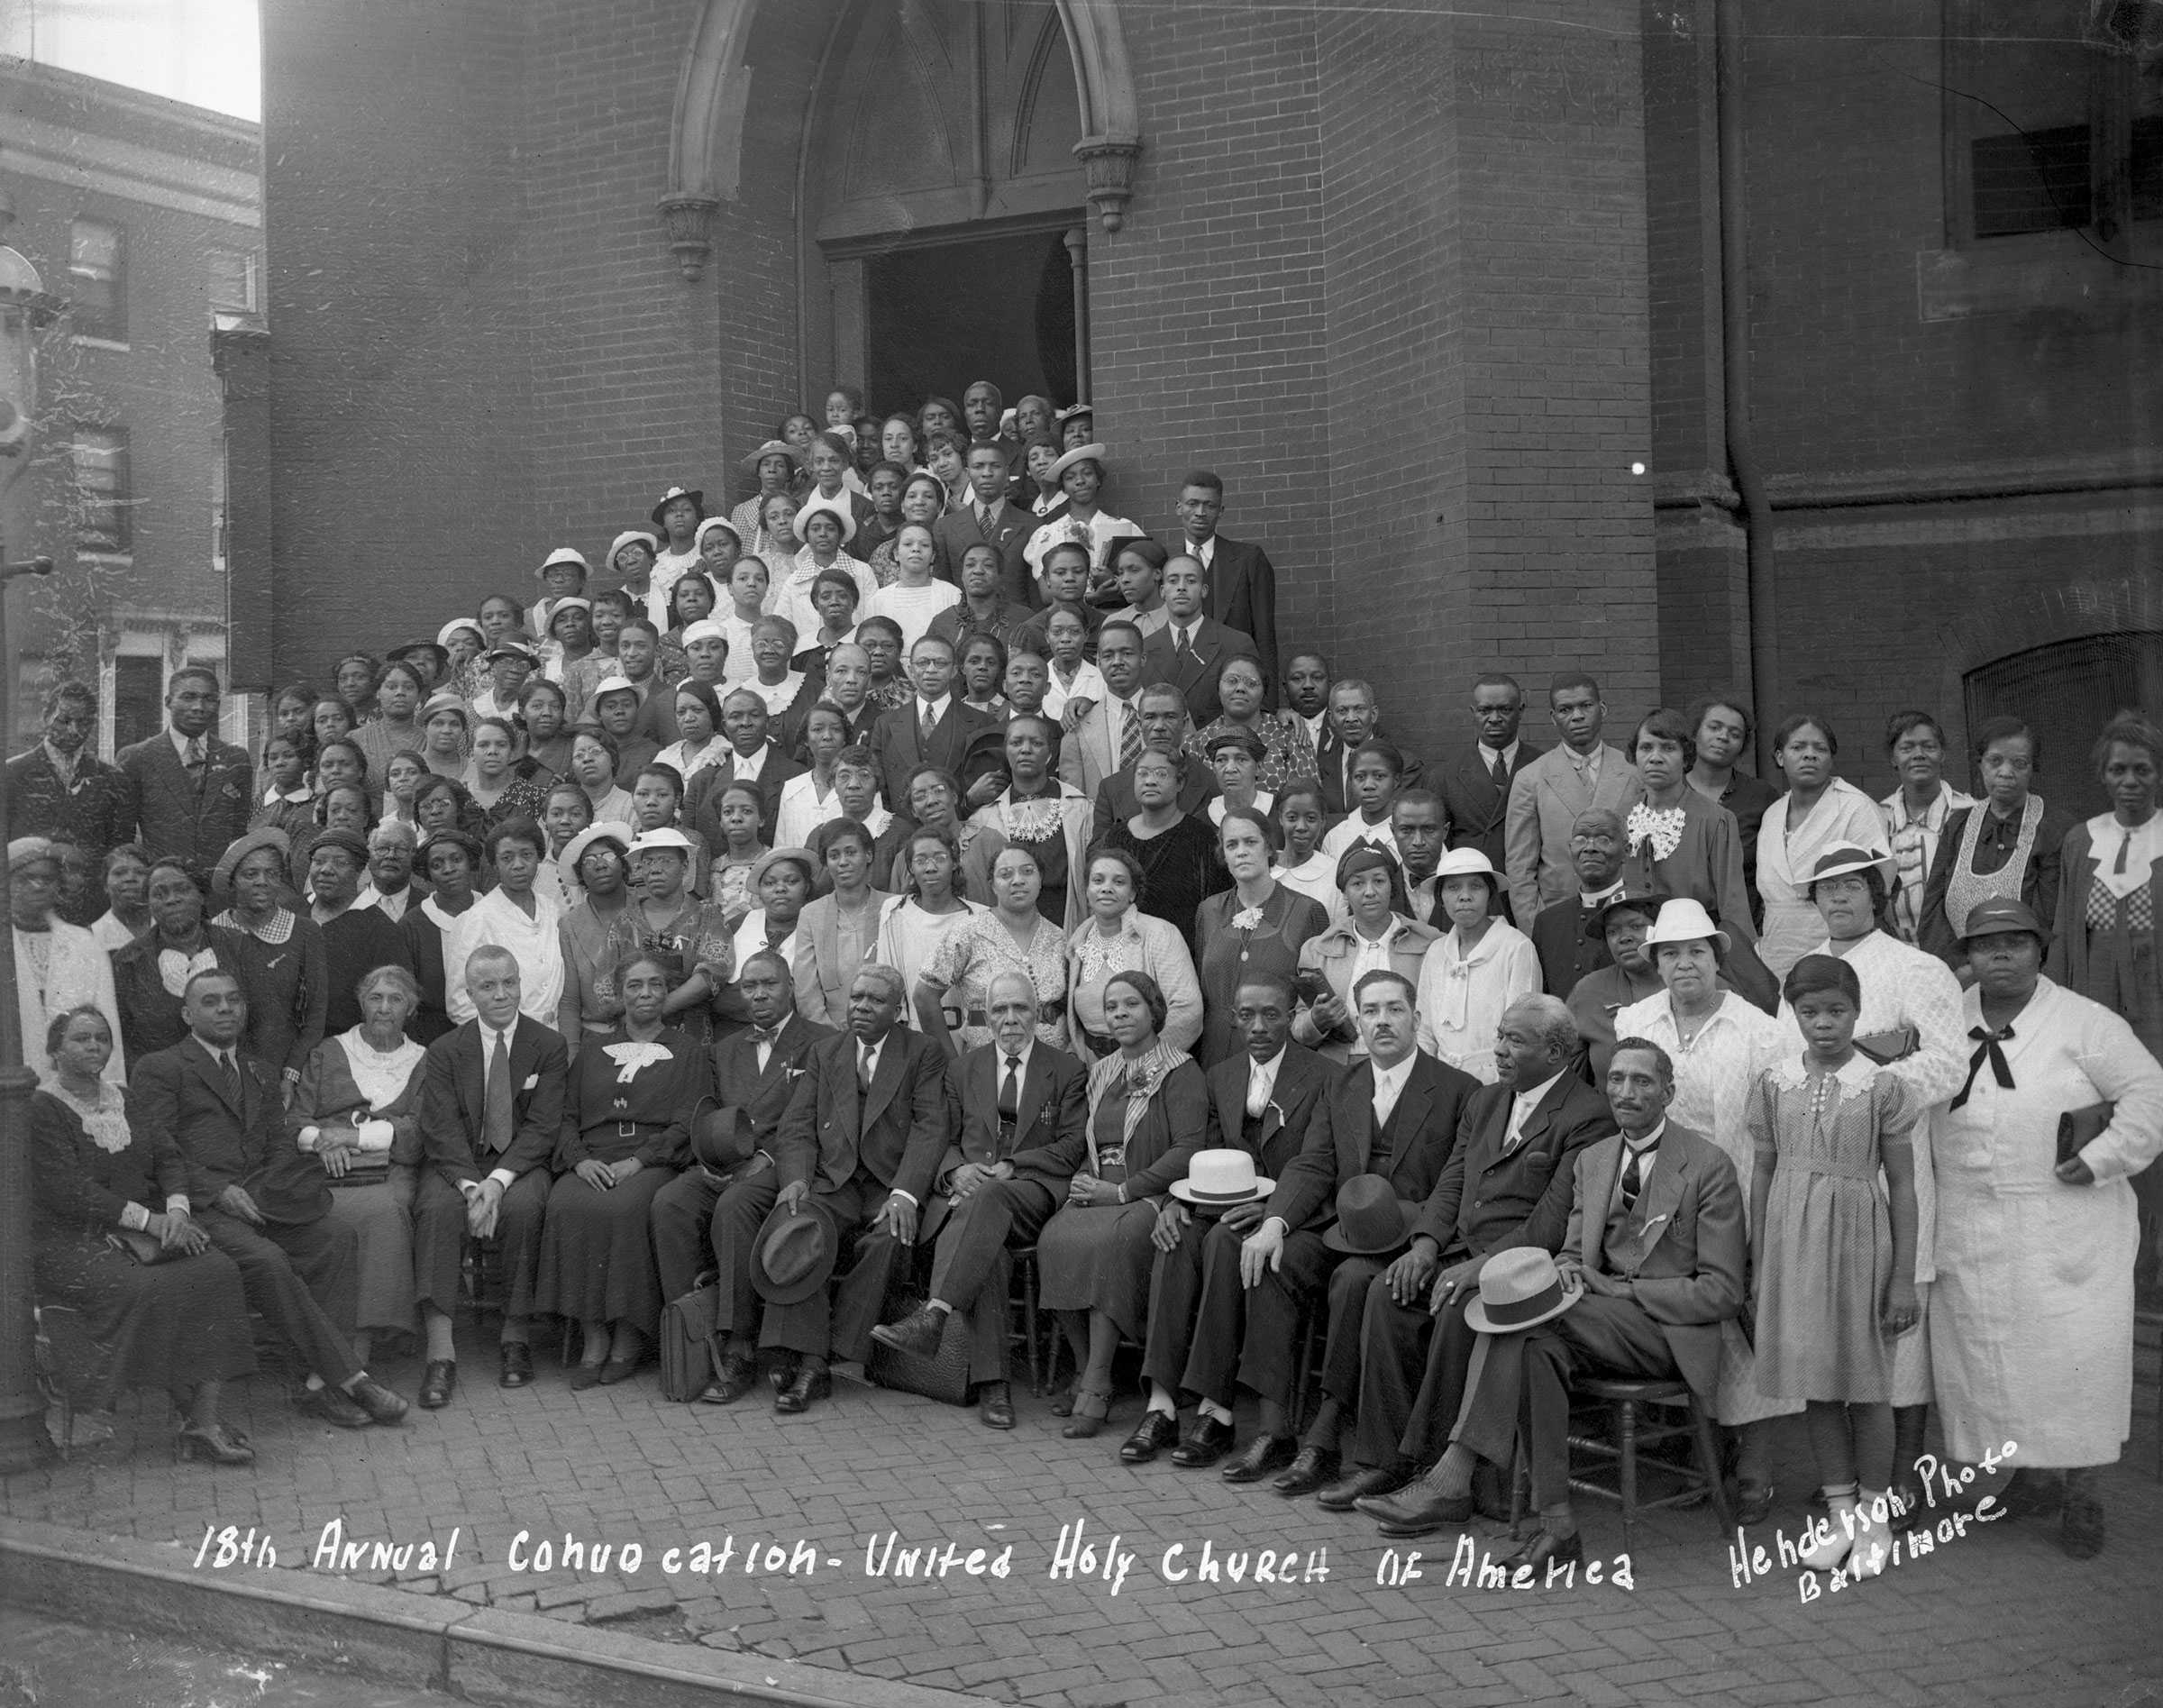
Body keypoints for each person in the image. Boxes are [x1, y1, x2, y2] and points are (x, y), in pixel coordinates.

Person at [1425, 1037, 1745, 1572]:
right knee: (1533, 1342)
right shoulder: (1594, 1161)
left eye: (1642, 1081)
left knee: (1526, 1316)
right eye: (1616, 1079)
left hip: (1667, 1333)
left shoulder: (1708, 1165)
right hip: (1589, 1321)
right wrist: (1571, 1270)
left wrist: (1621, 1289)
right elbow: (1575, 1253)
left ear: (1668, 1091)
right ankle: (1558, 1526)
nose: (1626, 1092)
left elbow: (1722, 1292)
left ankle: (1456, 1468)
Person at [1933, 897, 2163, 1559]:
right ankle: (2027, 1478)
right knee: (1996, 1360)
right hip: (1973, 1220)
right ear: (1967, 956)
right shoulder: (1947, 1018)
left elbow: (2149, 1096)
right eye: (1984, 944)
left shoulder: (2087, 1022)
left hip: (2065, 1222)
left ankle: (2082, 1493)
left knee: (2071, 1359)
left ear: (2041, 949)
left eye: (2015, 942)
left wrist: (2100, 1160)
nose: (1999, 955)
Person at [1350, 998, 1613, 1525]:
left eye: (1515, 1040)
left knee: (1460, 1306)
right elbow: (1452, 1181)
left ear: (1557, 1052)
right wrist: (1425, 1245)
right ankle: (1389, 1462)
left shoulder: (1588, 1115)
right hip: (1458, 1250)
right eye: (1499, 1035)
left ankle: (1445, 1481)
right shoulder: (1487, 1100)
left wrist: (1479, 1266)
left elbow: (1553, 1222)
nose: (1499, 1049)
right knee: (1386, 1292)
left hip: (1520, 1267)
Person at [1224, 971, 1481, 1486]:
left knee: (1352, 1282)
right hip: (1344, 1229)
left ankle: (1324, 1436)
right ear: (1357, 1019)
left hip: (1410, 1241)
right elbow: (1315, 1162)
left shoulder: (1460, 1091)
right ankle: (1274, 1430)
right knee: (1275, 1259)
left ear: (1416, 1017)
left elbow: (1457, 1180)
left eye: (1394, 1009)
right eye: (1370, 1011)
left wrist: (1425, 1241)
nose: (1382, 1021)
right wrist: (1275, 1221)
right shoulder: (1341, 1084)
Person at [132, 969, 409, 1429]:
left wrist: (304, 1162)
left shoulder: (257, 1068)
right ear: (186, 1014)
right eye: (211, 1002)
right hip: (198, 1208)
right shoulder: (161, 1069)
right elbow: (156, 1149)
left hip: (260, 1199)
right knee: (268, 1260)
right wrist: (215, 1190)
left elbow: (279, 1140)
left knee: (335, 1237)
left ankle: (319, 1385)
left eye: (234, 1000)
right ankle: (352, 1381)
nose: (225, 1009)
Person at [1792, 841, 1968, 1516]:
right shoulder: (1807, 971)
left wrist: (1868, 1084)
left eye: (1851, 887)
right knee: (1837, 1321)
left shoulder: (1918, 968)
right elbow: (1791, 1060)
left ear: (1877, 893)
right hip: (1820, 1171)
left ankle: (1902, 1478)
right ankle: (1853, 1477)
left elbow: (1948, 1064)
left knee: (1899, 1328)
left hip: (1891, 1166)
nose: (1838, 899)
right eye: (1826, 890)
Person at [1612, 897, 1798, 1513]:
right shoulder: (1635, 1020)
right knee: (1686, 1318)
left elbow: (1773, 1133)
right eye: (1670, 953)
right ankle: (1704, 1453)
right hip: (1661, 1198)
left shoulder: (1761, 1030)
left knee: (1747, 1325)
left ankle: (1756, 1469)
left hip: (1736, 1192)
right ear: (1656, 960)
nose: (1683, 964)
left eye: (1696, 951)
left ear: (1718, 957)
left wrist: (1762, 1217)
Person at [1747, 954, 1921, 1578]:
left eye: (1837, 1010)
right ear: (1794, 1013)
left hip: (1858, 1239)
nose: (1824, 1023)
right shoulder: (1773, 1081)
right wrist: (1762, 1260)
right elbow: (1763, 1171)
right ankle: (1842, 1516)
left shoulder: (1882, 1085)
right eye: (1810, 1011)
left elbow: (1902, 1183)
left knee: (1867, 1384)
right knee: (1817, 1384)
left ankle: (1875, 1520)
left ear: (1856, 1010)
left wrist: (1902, 1276)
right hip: (1792, 1240)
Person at [29, 1006, 259, 1463]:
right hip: (72, 1242)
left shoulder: (125, 1098)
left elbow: (168, 1158)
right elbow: (68, 1191)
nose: (94, 1046)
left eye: (101, 1038)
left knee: (217, 1269)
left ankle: (203, 1418)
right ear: (55, 1050)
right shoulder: (42, 1109)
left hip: (139, 1233)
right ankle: (187, 1410)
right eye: (80, 1039)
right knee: (151, 1288)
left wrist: (175, 1210)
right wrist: (148, 1220)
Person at [1124, 975, 1334, 1466]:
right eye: (1246, 1016)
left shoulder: (1324, 1075)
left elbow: (1325, 1163)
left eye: (1271, 1015)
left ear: (1291, 1016)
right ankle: (1161, 1403)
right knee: (1174, 1239)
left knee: (1221, 1241)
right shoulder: (1221, 1075)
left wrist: (1275, 1209)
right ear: (1233, 1019)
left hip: (1293, 1216)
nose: (1258, 1026)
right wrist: (1178, 1202)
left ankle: (1215, 1411)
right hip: (1224, 1204)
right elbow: (1209, 1155)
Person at [871, 974, 1091, 1427]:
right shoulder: (962, 1070)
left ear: (1038, 1013)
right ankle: (995, 1390)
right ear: (984, 1017)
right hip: (972, 1196)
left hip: (1033, 1192)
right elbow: (941, 1135)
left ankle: (934, 1313)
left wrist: (1015, 1164)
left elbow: (1072, 1145)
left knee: (988, 1202)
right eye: (999, 1011)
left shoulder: (1067, 1069)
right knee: (986, 1245)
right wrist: (955, 1170)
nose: (1010, 1020)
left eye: (1021, 1009)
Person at [758, 965, 949, 1414]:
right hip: (834, 1180)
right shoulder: (826, 1053)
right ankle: (812, 1361)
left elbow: (930, 1128)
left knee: (889, 1238)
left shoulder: (923, 1052)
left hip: (887, 1184)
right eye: (857, 997)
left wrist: (905, 1193)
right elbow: (798, 1126)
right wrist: (798, 1181)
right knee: (801, 1225)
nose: (862, 1006)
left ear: (898, 1010)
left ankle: (830, 1357)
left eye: (875, 1000)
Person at [650, 951, 833, 1393]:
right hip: (725, 1163)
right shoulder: (725, 1050)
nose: (759, 994)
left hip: (782, 1161)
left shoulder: (823, 1042)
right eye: (749, 987)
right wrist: (710, 1162)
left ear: (790, 987)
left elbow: (817, 1122)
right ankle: (696, 1327)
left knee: (734, 1206)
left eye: (769, 984)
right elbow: (709, 1115)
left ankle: (739, 1345)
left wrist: (765, 1161)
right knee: (670, 1202)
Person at [1036, 969, 1209, 1439]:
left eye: (1130, 1004)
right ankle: (1085, 1365)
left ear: (1153, 1009)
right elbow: (1083, 1138)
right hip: (1098, 1192)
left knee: (1110, 1246)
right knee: (1054, 1238)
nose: (1120, 1014)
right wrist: (1082, 1178)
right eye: (1112, 1007)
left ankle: (1097, 1385)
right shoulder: (1101, 1071)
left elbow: (1188, 1148)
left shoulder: (1181, 1070)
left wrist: (1125, 1191)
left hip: (1149, 1195)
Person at [534, 950, 703, 1388]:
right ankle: (593, 1335)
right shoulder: (592, 1050)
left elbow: (689, 1118)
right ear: (620, 994)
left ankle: (628, 1336)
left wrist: (640, 1160)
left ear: (667, 993)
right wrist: (579, 1160)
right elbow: (565, 1114)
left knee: (624, 1209)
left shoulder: (685, 1050)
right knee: (566, 1203)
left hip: (652, 1158)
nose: (646, 994)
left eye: (655, 985)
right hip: (595, 1156)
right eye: (635, 985)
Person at [413, 946, 570, 1400]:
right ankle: (441, 1354)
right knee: (437, 1212)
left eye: (509, 983)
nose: (501, 994)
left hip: (519, 1164)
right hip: (458, 1165)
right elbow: (439, 1127)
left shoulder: (548, 1045)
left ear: (521, 983)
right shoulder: (445, 1049)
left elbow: (543, 1127)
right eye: (488, 986)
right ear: (470, 993)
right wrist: (470, 1187)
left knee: (523, 1209)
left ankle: (515, 1337)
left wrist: (498, 1182)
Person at [287, 964, 429, 1369]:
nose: (384, 1008)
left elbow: (418, 1134)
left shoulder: (425, 1061)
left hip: (391, 1170)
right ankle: (331, 1340)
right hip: (326, 1169)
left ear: (411, 1010)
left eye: (396, 999)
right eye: (375, 998)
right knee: (335, 1217)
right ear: (361, 1003)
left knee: (387, 1210)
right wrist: (321, 1142)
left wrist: (353, 1138)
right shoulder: (329, 1051)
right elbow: (296, 1121)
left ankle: (356, 1349)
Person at [1917, 716, 2076, 972]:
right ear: (1980, 765)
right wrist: (1957, 968)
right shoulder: (1959, 825)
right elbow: (1933, 911)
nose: (2005, 772)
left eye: (2019, 763)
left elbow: (2052, 918)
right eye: (1995, 761)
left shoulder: (2053, 829)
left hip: (2029, 977)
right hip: (1959, 977)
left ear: (2033, 767)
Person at [1193, 808, 1328, 1070]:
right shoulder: (1208, 911)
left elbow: (1315, 1002)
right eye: (1231, 845)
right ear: (1224, 854)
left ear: (1269, 848)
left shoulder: (1306, 911)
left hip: (1279, 1053)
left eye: (1250, 842)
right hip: (1216, 1054)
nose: (1241, 851)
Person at [1753, 714, 1886, 980]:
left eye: (1820, 748)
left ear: (1831, 759)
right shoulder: (1772, 814)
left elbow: (1881, 884)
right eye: (1798, 747)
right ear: (1780, 757)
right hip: (1776, 953)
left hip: (1838, 951)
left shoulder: (1855, 807)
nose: (1809, 755)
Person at [1503, 673, 1642, 927]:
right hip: (1559, 916)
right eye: (1565, 709)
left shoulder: (1634, 772)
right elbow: (1520, 866)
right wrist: (1535, 927)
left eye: (1585, 706)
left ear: (1602, 709)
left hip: (1626, 913)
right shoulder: (1531, 778)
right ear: (1553, 718)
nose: (1577, 716)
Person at [916, 842, 1070, 1057]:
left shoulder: (1059, 938)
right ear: (993, 885)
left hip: (1053, 1068)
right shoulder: (969, 932)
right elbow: (924, 996)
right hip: (985, 1068)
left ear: (1041, 879)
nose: (1018, 881)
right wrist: (952, 1064)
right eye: (1006, 874)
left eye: (1027, 872)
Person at [1292, 844, 1438, 1064]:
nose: (1370, 891)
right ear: (1344, 893)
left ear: (1392, 887)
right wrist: (1316, 1020)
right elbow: (1299, 1029)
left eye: (1379, 881)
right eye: (1357, 883)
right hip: (1340, 1070)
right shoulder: (1318, 949)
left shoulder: (1428, 942)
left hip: (1410, 1065)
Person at [211, 831, 329, 1097]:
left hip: (284, 1071)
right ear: (232, 881)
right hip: (223, 1074)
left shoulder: (304, 932)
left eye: (271, 874)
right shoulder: (213, 933)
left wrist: (291, 1073)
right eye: (250, 874)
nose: (261, 882)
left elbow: (315, 1015)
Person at [6, 680, 135, 921]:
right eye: (64, 721)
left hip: (90, 909)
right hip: (26, 907)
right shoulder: (11, 774)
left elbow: (119, 851)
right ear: (46, 716)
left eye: (84, 722)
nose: (74, 730)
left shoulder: (114, 780)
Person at [1413, 850, 1539, 1082]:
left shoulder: (1516, 948)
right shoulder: (1436, 951)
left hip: (1495, 1080)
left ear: (1490, 894)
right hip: (1441, 1080)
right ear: (1440, 897)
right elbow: (1424, 1029)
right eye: (1453, 888)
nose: (1465, 896)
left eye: (1476, 887)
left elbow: (1522, 1030)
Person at [108, 856, 243, 1073]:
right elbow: (123, 1041)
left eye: (182, 890)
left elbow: (262, 1022)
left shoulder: (238, 946)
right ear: (149, 904)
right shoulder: (127, 961)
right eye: (159, 894)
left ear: (201, 896)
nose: (171, 900)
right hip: (162, 1087)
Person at [115, 667, 253, 873]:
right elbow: (123, 838)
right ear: (169, 701)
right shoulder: (136, 758)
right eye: (189, 697)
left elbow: (238, 832)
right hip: (162, 884)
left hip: (220, 889)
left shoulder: (236, 759)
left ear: (217, 704)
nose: (199, 707)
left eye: (208, 698)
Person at [14, 837, 125, 1084]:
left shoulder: (85, 943)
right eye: (26, 878)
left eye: (47, 879)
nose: (37, 886)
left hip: (77, 1088)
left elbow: (107, 1023)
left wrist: (110, 1093)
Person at [612, 827, 734, 1045]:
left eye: (665, 861)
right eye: (648, 862)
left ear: (685, 866)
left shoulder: (708, 916)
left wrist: (654, 1010)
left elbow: (713, 972)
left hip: (691, 1037)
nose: (656, 869)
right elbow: (606, 982)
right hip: (632, 1036)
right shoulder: (624, 922)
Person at [970, 715, 1091, 928]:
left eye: (1036, 743)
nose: (1026, 750)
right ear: (1006, 752)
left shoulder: (1080, 809)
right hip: (1008, 929)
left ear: (1049, 754)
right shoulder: (986, 818)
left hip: (1068, 922)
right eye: (1016, 743)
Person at [443, 818, 564, 1028]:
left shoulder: (552, 910)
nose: (518, 865)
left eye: (526, 855)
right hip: (505, 1044)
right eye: (507, 858)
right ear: (494, 865)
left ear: (539, 858)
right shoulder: (476, 919)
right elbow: (460, 1003)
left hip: (557, 1039)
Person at [1164, 471, 1279, 689]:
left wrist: (1268, 706)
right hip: (1182, 687)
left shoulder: (1249, 560)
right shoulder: (1165, 565)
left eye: (1209, 505)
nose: (1200, 512)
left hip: (1237, 687)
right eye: (1192, 504)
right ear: (1178, 507)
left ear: (1221, 511)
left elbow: (1265, 637)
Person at [1437, 675, 1543, 909]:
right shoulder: (1445, 775)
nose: (1494, 719)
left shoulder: (1545, 766)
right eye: (1485, 710)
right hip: (1474, 896)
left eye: (1505, 709)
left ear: (1521, 710)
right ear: (1473, 712)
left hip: (1531, 895)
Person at [305, 830, 414, 1037]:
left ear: (359, 871)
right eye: (319, 861)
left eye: (340, 863)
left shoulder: (381, 929)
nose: (326, 870)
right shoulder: (291, 912)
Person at [1879, 711, 1975, 945]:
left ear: (1942, 754)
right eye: (1907, 748)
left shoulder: (1972, 813)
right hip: (1896, 957)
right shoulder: (1877, 817)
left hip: (1960, 955)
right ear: (1893, 758)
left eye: (1928, 746)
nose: (1918, 755)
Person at [1141, 556, 1263, 727]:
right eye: (1173, 581)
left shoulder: (1236, 643)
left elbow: (1256, 707)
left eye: (1191, 581)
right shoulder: (1145, 648)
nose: (1181, 587)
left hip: (1221, 748)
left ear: (1204, 590)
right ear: (1162, 591)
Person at [1088, 682, 1217, 843]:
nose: (1159, 726)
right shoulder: (1111, 789)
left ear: (1185, 724)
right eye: (1150, 717)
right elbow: (1097, 853)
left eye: (1170, 717)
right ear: (1139, 724)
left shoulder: (1211, 783)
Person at [1565, 893, 1671, 1082]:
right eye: (1612, 931)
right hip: (1609, 1110)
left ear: (1660, 929)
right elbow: (1562, 1065)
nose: (1624, 938)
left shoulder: (1691, 983)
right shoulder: (1588, 991)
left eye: (1636, 926)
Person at [552, 821, 638, 1048]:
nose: (600, 865)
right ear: (580, 873)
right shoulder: (569, 925)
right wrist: (571, 1051)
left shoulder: (647, 906)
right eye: (589, 861)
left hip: (652, 1031)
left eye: (608, 856)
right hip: (596, 1039)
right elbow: (569, 1000)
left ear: (623, 862)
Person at [1187, 656, 1315, 796]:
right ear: (1218, 688)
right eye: (1232, 681)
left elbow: (1308, 802)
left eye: (1251, 683)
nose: (1240, 688)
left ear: (1263, 693)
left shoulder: (1292, 736)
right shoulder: (1196, 743)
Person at [400, 829, 481, 1046]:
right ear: (427, 874)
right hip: (432, 1037)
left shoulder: (493, 911)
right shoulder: (413, 924)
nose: (449, 869)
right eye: (437, 865)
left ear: (470, 862)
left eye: (456, 860)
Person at [1022, 444, 1139, 589]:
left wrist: (1114, 581)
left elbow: (1139, 583)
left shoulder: (1122, 529)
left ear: (1098, 479)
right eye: (1070, 478)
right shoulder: (1048, 534)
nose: (1080, 481)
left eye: (1087, 473)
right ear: (1063, 487)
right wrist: (1092, 598)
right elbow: (1047, 594)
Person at [933, 440, 1036, 605]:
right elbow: (943, 590)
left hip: (1017, 626)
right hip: (964, 624)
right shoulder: (945, 527)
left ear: (1007, 472)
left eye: (995, 466)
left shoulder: (1032, 525)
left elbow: (1036, 597)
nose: (987, 473)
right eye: (978, 466)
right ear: (967, 473)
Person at [1059, 619, 1147, 803]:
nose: (1117, 662)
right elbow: (1073, 801)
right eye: (1108, 655)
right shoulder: (1077, 724)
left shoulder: (1172, 712)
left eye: (1127, 653)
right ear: (1098, 663)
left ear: (1143, 658)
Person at [1313, 679, 1427, 820]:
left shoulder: (1405, 764)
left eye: (1359, 709)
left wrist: (1333, 821)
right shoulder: (1319, 766)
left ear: (1373, 714)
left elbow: (1395, 818)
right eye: (1342, 711)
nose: (1351, 718)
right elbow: (1314, 819)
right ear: (1331, 718)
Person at [1272, 781, 1342, 919]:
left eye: (1311, 818)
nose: (1301, 826)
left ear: (1323, 820)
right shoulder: (1265, 868)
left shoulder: (1335, 875)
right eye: (1292, 818)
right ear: (1280, 818)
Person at [1390, 790, 1452, 930]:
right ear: (1393, 832)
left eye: (1429, 830)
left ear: (1445, 831)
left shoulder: (1474, 883)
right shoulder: (1380, 889)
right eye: (1406, 830)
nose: (1418, 841)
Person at [89, 842, 153, 952]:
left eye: (140, 872)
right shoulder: (91, 937)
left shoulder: (168, 926)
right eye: (119, 873)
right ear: (105, 885)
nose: (130, 878)